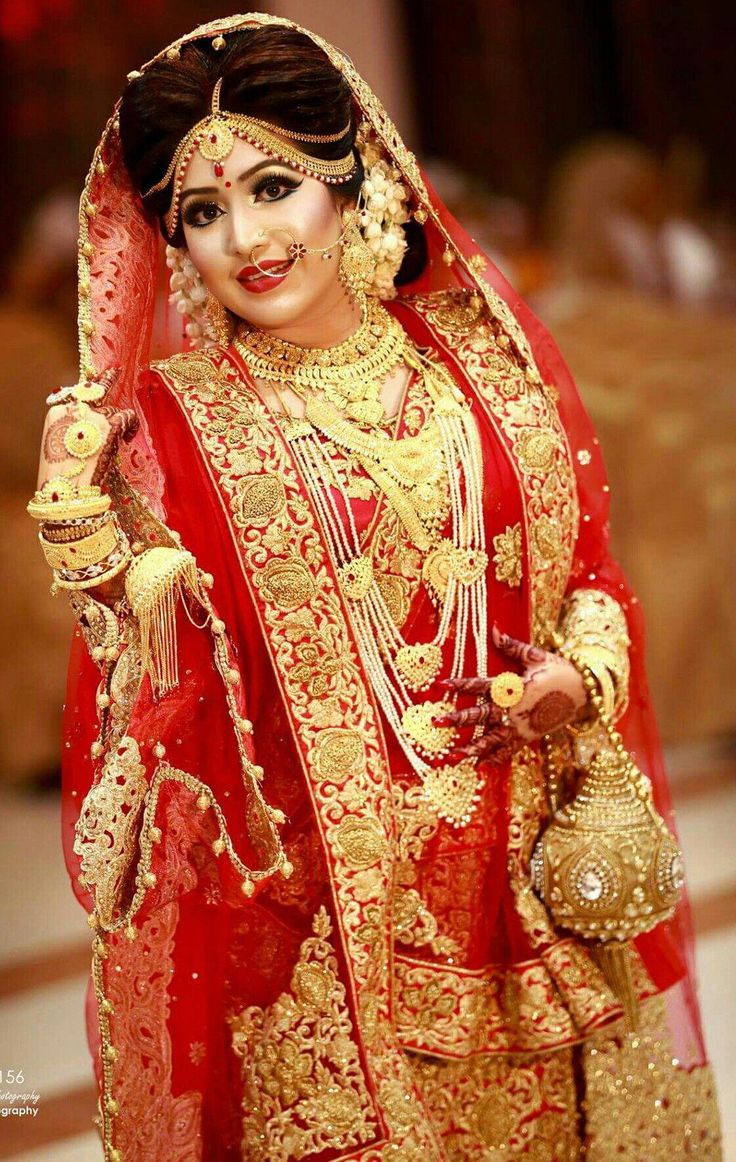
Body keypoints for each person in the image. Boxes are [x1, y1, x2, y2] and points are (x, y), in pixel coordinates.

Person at [27, 14, 722, 1160]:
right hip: (317, 928)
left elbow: (584, 571)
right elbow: (136, 643)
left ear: (353, 180)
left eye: (272, 185)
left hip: (528, 889)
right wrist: (78, 516)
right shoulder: (173, 424)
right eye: (201, 213)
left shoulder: (484, 365)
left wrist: (577, 680)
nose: (245, 236)